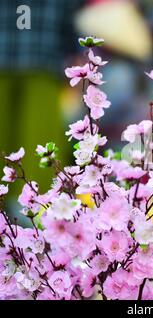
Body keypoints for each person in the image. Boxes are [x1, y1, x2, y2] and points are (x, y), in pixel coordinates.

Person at [0, 0, 83, 200]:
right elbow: (68, 16)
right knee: (40, 141)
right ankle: (35, 208)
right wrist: (74, 49)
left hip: (5, 55)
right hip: (42, 58)